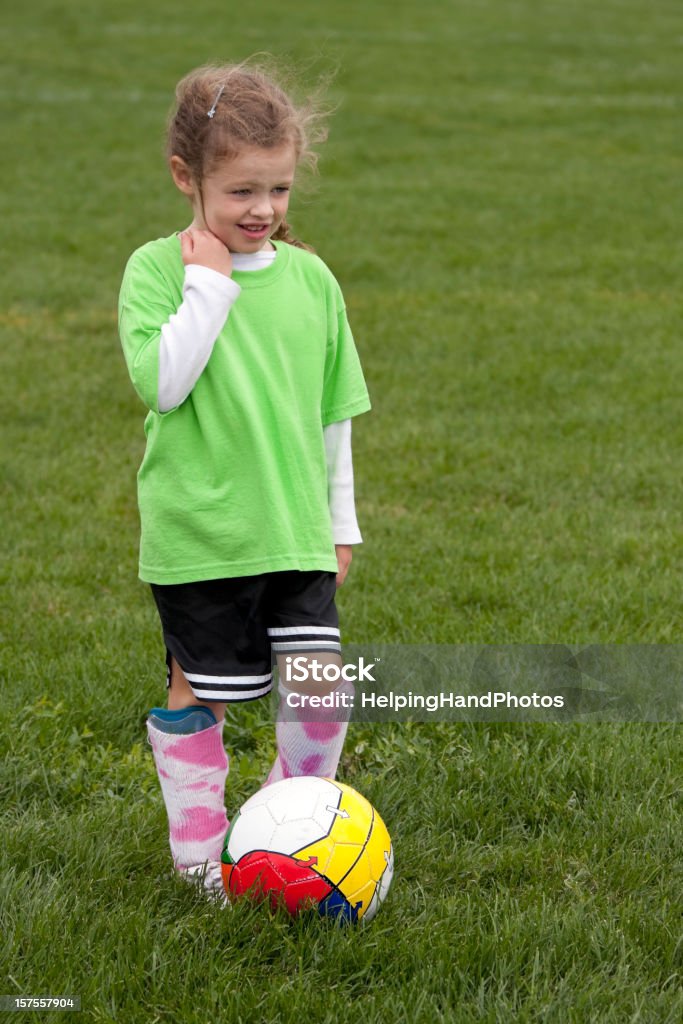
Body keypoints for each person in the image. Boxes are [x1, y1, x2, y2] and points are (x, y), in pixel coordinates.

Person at [118, 59, 371, 895]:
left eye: (279, 189)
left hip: (294, 527)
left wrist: (341, 522)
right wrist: (209, 286)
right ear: (185, 177)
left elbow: (334, 410)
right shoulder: (159, 271)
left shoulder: (312, 280)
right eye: (240, 192)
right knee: (204, 695)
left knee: (321, 692)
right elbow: (163, 382)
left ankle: (282, 827)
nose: (263, 211)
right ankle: (198, 860)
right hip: (205, 534)